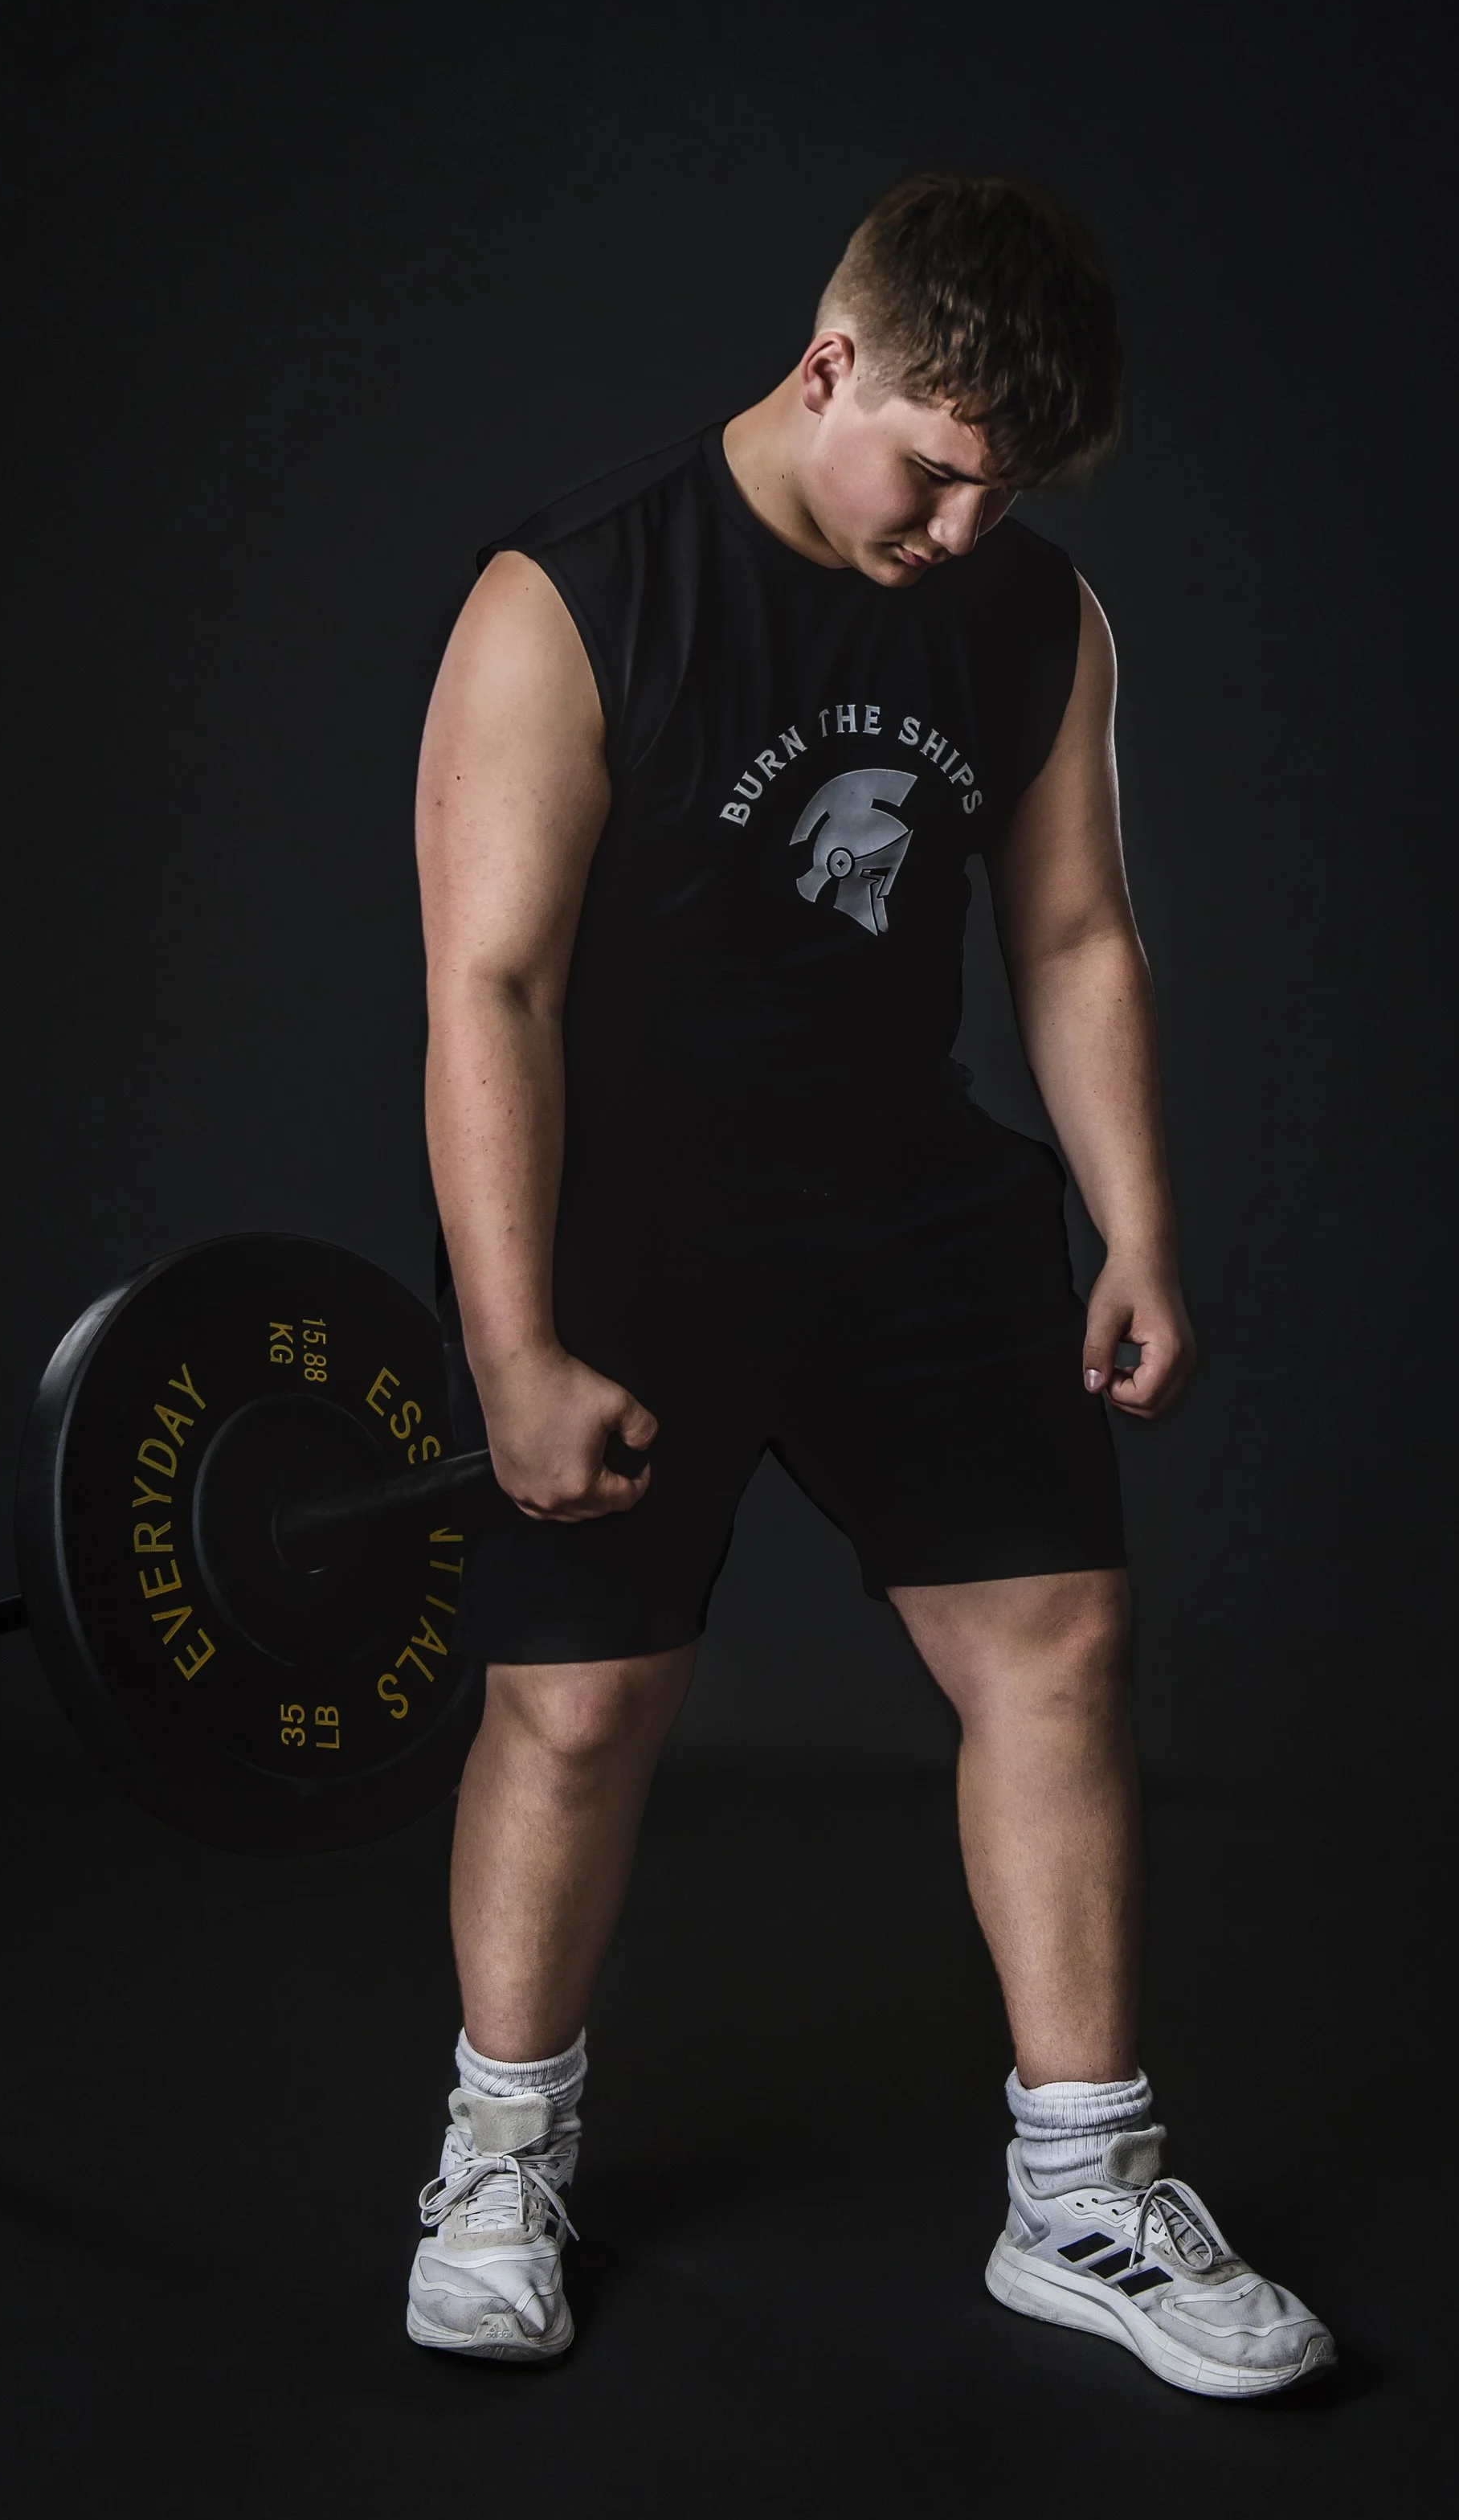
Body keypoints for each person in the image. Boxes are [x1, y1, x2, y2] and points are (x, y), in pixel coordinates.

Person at [406, 175, 1333, 2396]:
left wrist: (1135, 1220)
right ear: (831, 365)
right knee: (579, 1704)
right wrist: (514, 1343)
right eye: (931, 468)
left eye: (1001, 493)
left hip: (904, 1208)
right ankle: (497, 2152)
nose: (956, 528)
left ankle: (1082, 2187)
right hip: (622, 1223)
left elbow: (1072, 933)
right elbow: (490, 982)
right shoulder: (575, 595)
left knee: (1057, 1646)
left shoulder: (1031, 612)